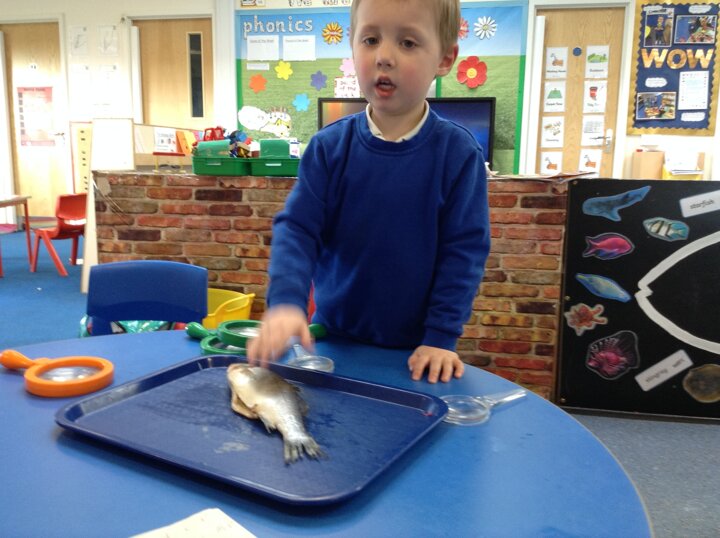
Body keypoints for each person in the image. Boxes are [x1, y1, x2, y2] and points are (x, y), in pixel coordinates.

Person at [246, 0, 490, 383]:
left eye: (407, 43)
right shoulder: (328, 148)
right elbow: (298, 229)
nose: (384, 57)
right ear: (352, 45)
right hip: (332, 341)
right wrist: (286, 302)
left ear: (445, 59)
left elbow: (464, 252)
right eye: (371, 39)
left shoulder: (459, 154)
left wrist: (441, 337)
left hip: (417, 352)